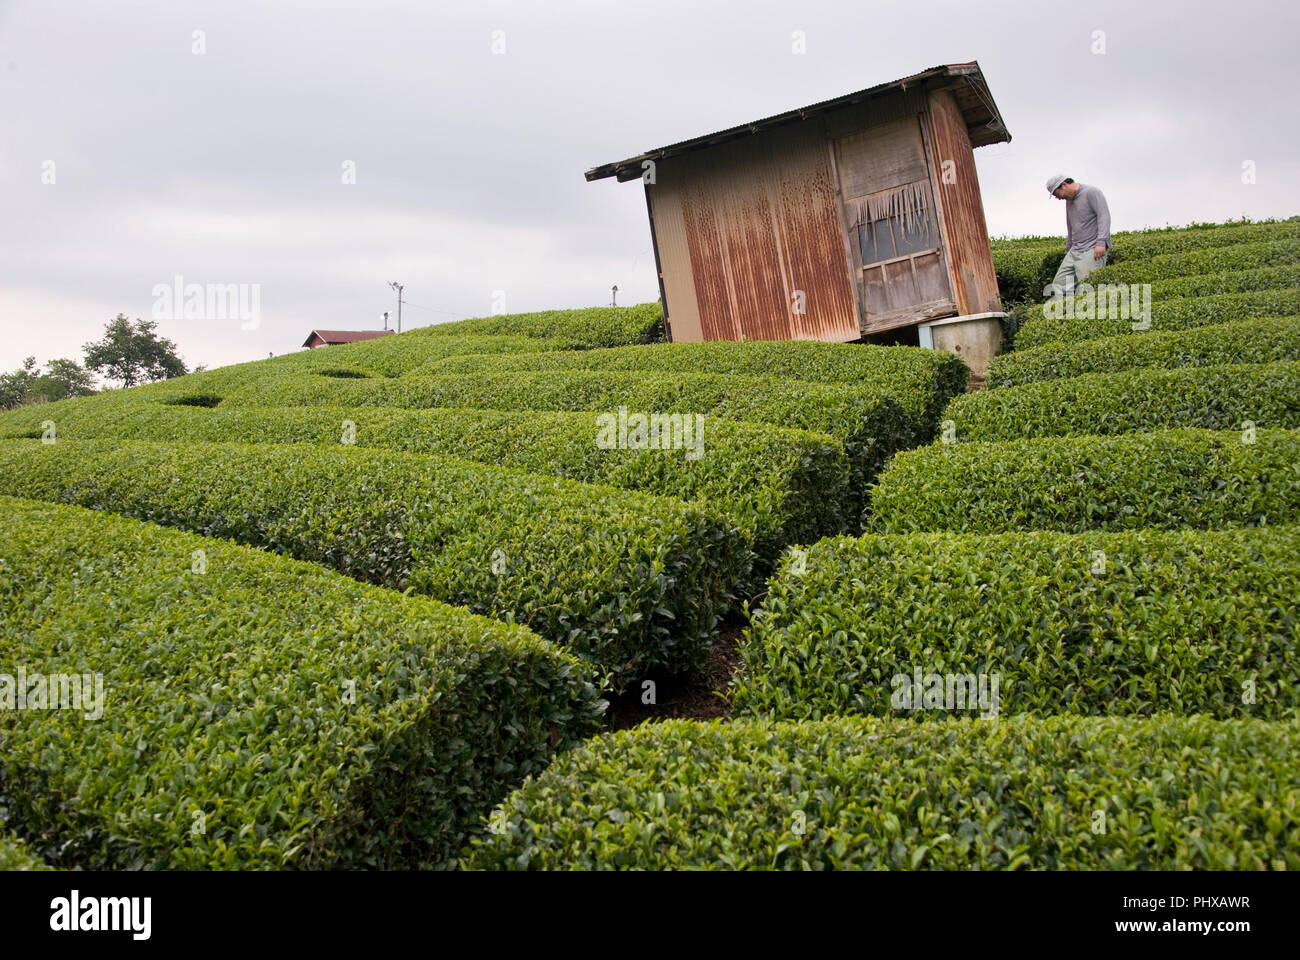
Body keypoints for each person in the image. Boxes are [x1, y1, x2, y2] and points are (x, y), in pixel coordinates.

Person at [1044, 175, 1111, 297]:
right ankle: (1067, 313)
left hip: (1092, 249)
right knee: (1058, 286)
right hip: (1075, 250)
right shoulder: (1069, 200)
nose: (1058, 198)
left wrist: (1101, 242)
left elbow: (1104, 216)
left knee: (1087, 288)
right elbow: (1071, 226)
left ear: (1064, 184)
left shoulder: (1091, 192)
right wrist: (1068, 248)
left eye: (1057, 194)